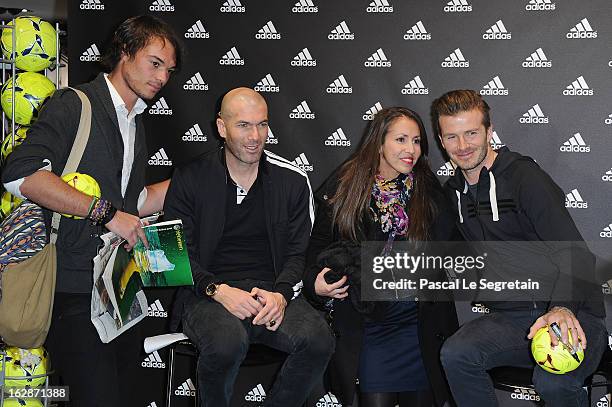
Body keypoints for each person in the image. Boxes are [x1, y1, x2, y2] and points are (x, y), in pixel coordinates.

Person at [1, 15, 182, 406]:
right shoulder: (75, 103)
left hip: (116, 292)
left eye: (168, 69)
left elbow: (131, 203)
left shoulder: (135, 121)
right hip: (72, 288)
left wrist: (202, 179)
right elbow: (20, 175)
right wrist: (105, 213)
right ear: (124, 52)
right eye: (154, 63)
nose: (162, 77)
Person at [431, 89, 606, 406]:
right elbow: (435, 245)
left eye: (471, 133)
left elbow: (576, 253)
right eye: (452, 137)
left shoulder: (524, 177)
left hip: (573, 314)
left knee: (552, 380)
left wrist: (562, 308)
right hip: (511, 320)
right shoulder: (453, 192)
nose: (463, 146)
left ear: (489, 130)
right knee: (457, 353)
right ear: (442, 142)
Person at [163, 87, 335, 407]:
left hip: (270, 292)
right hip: (207, 294)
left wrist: (281, 295)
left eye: (262, 124)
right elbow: (175, 256)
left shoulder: (292, 180)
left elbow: (299, 252)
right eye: (243, 125)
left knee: (318, 339)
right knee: (227, 342)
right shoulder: (190, 177)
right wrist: (218, 290)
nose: (255, 136)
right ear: (221, 127)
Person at [303, 106, 460, 407]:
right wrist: (315, 283)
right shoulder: (346, 185)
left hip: (420, 327)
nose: (410, 150)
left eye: (416, 141)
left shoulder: (427, 189)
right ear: (379, 142)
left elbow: (450, 249)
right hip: (371, 326)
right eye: (401, 140)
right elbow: (317, 246)